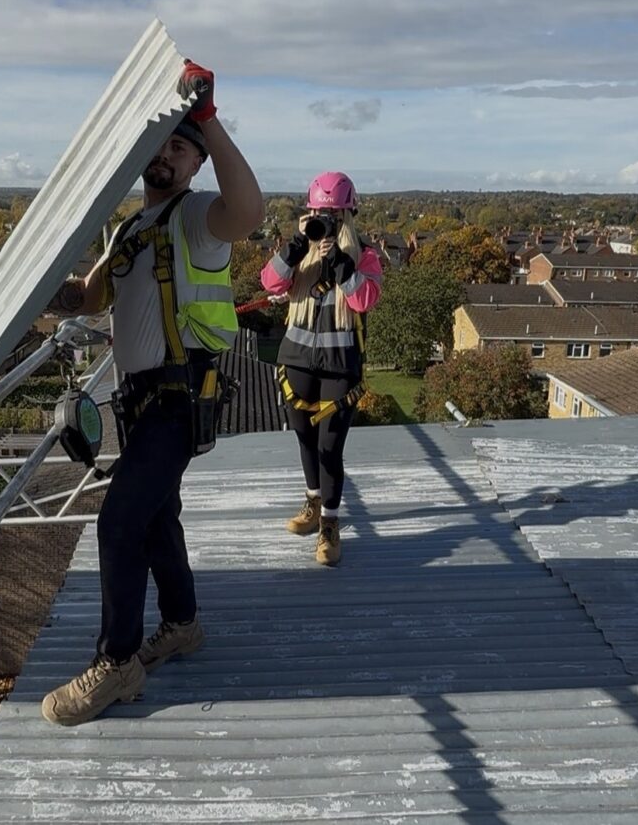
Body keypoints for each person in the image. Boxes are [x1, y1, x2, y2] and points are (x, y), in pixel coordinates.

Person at [41, 60, 263, 726]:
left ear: (196, 166)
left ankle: (118, 662)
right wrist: (25, 287)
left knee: (119, 520)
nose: (165, 156)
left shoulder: (197, 216)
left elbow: (248, 211)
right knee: (158, 515)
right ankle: (183, 623)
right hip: (139, 401)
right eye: (160, 145)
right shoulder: (131, 232)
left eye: (179, 148)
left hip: (176, 396)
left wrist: (207, 122)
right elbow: (85, 296)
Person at [260, 171, 382, 567]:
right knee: (304, 439)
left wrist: (340, 263)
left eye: (331, 215)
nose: (324, 221)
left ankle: (329, 523)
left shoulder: (363, 255)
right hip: (297, 360)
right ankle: (313, 501)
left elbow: (364, 300)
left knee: (330, 447)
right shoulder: (299, 253)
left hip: (338, 367)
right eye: (317, 213)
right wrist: (297, 247)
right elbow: (269, 282)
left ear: (348, 216)